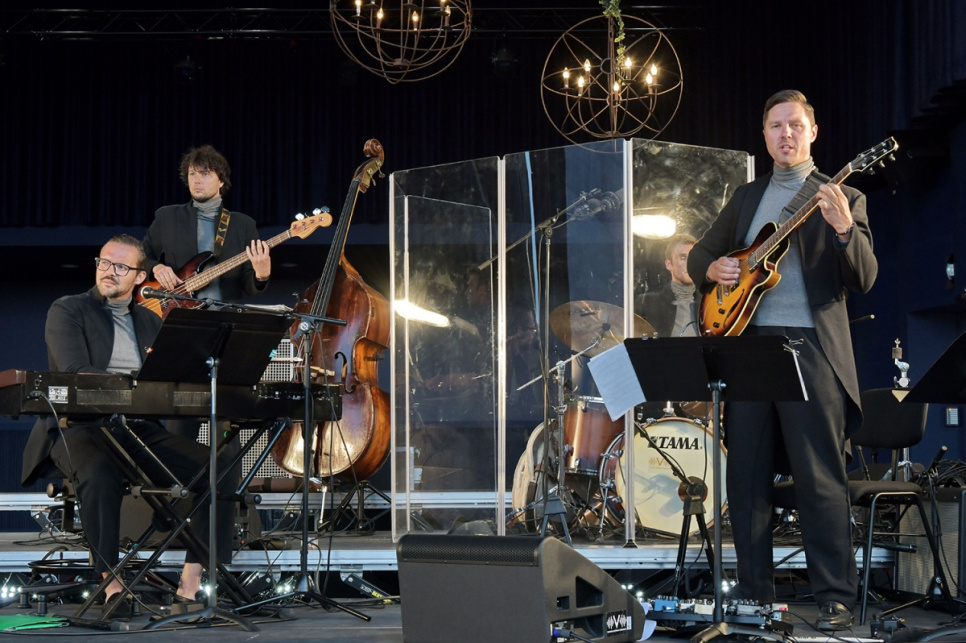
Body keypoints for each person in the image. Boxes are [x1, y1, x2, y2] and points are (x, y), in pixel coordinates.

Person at [687, 90, 876, 631]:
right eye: (775, 126)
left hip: (810, 347)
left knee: (820, 477)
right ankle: (754, 597)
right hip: (747, 346)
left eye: (795, 124)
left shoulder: (843, 195)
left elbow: (865, 277)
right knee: (746, 480)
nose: (785, 134)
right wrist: (714, 269)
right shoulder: (747, 197)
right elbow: (700, 255)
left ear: (813, 132)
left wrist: (844, 231)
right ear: (765, 136)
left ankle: (835, 597)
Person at [21, 234, 235, 617]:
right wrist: (136, 385)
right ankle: (111, 584)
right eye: (104, 262)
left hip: (137, 428)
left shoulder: (150, 320)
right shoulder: (68, 309)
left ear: (139, 277)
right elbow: (75, 371)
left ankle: (190, 586)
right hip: (79, 426)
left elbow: (166, 380)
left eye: (121, 266)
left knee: (218, 467)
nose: (109, 271)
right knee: (100, 475)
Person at [142, 144, 271, 485]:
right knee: (177, 422)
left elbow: (249, 285)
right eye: (191, 174)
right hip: (179, 326)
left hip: (224, 332)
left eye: (205, 174)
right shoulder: (167, 216)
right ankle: (175, 498)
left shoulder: (242, 225)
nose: (196, 180)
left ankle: (226, 498)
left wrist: (261, 274)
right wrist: (156, 266)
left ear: (221, 180)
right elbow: (141, 255)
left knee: (226, 424)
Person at [640, 233, 699, 338]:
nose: (690, 263)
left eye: (693, 257)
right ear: (669, 264)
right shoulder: (649, 303)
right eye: (683, 257)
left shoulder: (709, 302)